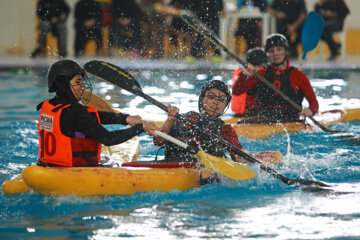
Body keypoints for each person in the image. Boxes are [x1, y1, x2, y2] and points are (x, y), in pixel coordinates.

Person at [37, 59, 159, 167]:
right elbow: (108, 139)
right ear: (63, 84)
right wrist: (140, 128)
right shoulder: (76, 112)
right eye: (78, 82)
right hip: (72, 172)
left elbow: (91, 117)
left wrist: (126, 118)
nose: (83, 86)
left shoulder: (48, 106)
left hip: (47, 166)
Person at [154, 80, 248, 167]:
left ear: (225, 105)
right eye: (211, 97)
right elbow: (158, 140)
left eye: (221, 100)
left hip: (205, 173)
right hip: (171, 165)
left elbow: (239, 157)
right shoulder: (180, 118)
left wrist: (254, 159)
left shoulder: (225, 130)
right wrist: (170, 120)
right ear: (202, 99)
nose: (215, 102)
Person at [232, 34, 319, 123]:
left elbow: (314, 103)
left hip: (291, 121)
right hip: (266, 120)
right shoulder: (261, 74)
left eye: (279, 49)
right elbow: (236, 91)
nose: (275, 53)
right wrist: (243, 75)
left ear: (286, 51)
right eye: (271, 51)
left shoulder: (298, 76)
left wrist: (311, 110)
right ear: (268, 54)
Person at [231, 47, 268, 117]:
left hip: (261, 114)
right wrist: (243, 75)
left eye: (260, 66)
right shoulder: (245, 75)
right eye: (255, 66)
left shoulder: (266, 73)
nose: (258, 69)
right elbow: (236, 91)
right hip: (249, 114)